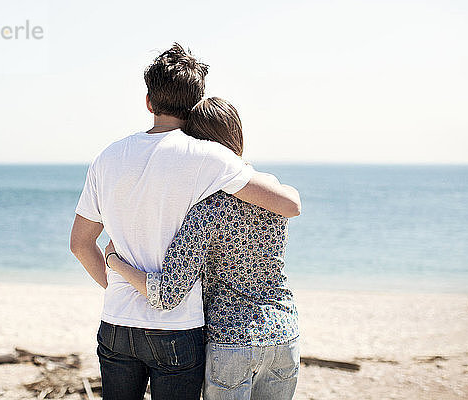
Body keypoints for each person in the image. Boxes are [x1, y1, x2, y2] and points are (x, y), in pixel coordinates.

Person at [70, 44, 301, 400]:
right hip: (178, 327)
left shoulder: (107, 157)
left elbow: (81, 244)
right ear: (196, 103)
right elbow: (286, 203)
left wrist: (116, 282)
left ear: (149, 101)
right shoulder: (208, 157)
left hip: (117, 321)